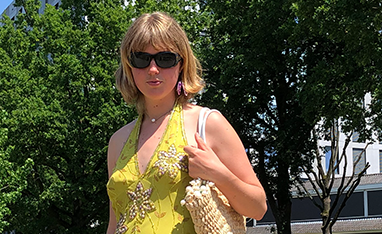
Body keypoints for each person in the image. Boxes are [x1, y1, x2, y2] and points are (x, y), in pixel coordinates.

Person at [106, 12, 267, 234]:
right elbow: (114, 224)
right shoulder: (118, 141)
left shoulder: (208, 123)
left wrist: (218, 173)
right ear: (129, 65)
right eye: (141, 59)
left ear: (181, 64)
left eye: (165, 59)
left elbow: (258, 208)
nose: (153, 69)